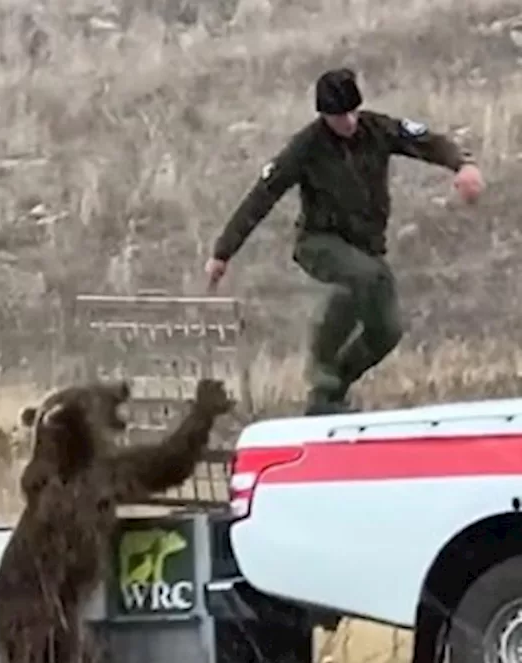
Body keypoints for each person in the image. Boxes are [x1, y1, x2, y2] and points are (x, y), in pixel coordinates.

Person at [204, 68, 484, 416]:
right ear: (324, 115)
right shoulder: (306, 147)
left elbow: (426, 141)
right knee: (361, 278)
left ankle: (332, 392)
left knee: (387, 330)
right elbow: (262, 195)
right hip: (319, 243)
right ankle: (320, 367)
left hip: (366, 249)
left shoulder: (376, 129)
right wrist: (223, 251)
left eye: (353, 112)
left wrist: (462, 165)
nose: (349, 122)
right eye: (339, 117)